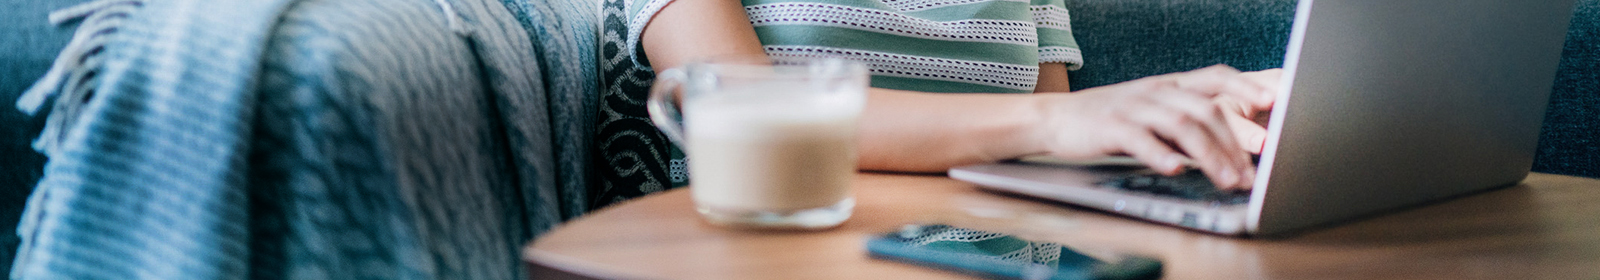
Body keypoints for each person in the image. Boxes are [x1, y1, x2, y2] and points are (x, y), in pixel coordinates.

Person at [596, 0, 1279, 204]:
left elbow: (1050, 155)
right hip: (776, 248)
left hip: (985, 253)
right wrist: (1055, 119)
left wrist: (1211, 112)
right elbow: (734, 108)